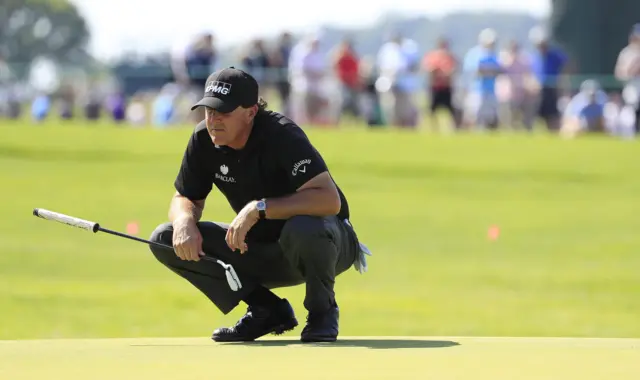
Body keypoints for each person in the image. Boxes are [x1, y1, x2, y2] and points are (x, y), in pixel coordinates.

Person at [148, 67, 371, 343]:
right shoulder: (204, 140)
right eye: (209, 111)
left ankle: (322, 312)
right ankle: (267, 309)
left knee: (304, 226)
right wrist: (184, 221)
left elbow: (329, 200)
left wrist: (259, 208)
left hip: (327, 244)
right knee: (165, 238)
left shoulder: (282, 135)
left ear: (251, 112)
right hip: (261, 250)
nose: (214, 120)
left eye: (224, 112)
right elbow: (185, 198)